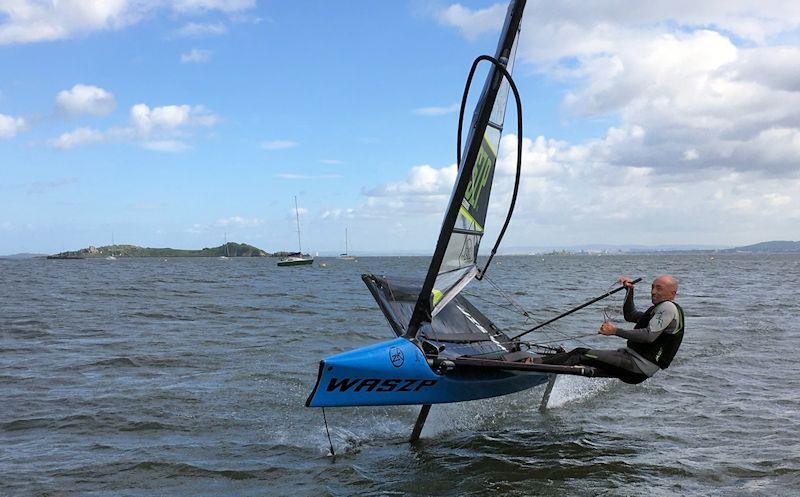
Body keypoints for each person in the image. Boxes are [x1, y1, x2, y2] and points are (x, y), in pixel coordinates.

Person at [540, 275, 685, 384]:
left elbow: (649, 336)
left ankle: (534, 365)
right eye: (652, 287)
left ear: (673, 293)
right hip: (631, 362)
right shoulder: (657, 310)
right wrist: (629, 291)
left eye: (659, 288)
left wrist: (615, 331)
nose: (653, 291)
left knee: (579, 354)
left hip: (637, 367)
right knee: (581, 357)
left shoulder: (668, 307)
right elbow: (630, 315)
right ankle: (538, 363)